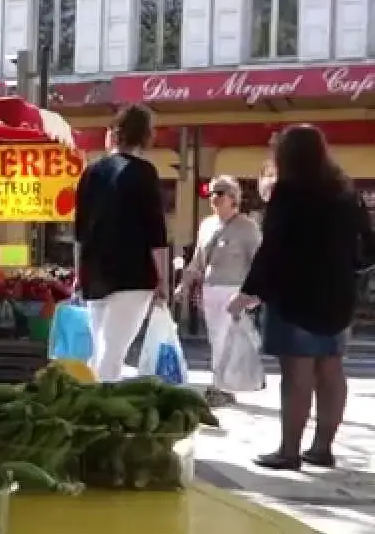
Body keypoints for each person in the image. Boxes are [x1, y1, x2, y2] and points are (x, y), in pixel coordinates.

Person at [228, 125, 375, 471]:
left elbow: (273, 247)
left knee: (297, 372)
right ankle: (322, 448)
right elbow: (368, 243)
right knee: (331, 366)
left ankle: (289, 451)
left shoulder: (289, 192)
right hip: (338, 292)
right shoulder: (344, 191)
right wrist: (349, 267)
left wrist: (250, 291)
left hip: (296, 291)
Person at [73, 104, 169, 382]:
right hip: (133, 273)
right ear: (146, 136)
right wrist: (163, 278)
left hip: (95, 272)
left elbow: (80, 230)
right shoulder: (144, 172)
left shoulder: (91, 172)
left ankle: (91, 395)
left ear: (114, 134)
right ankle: (98, 400)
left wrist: (79, 272)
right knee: (112, 353)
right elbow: (156, 232)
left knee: (102, 349)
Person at [176, 176, 261, 396]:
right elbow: (197, 261)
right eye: (212, 193)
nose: (214, 197)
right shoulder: (207, 225)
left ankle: (224, 386)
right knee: (215, 338)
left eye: (220, 193)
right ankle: (221, 383)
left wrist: (255, 294)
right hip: (210, 289)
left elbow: (259, 262)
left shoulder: (247, 228)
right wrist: (184, 285)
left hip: (234, 290)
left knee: (227, 338)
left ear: (233, 198)